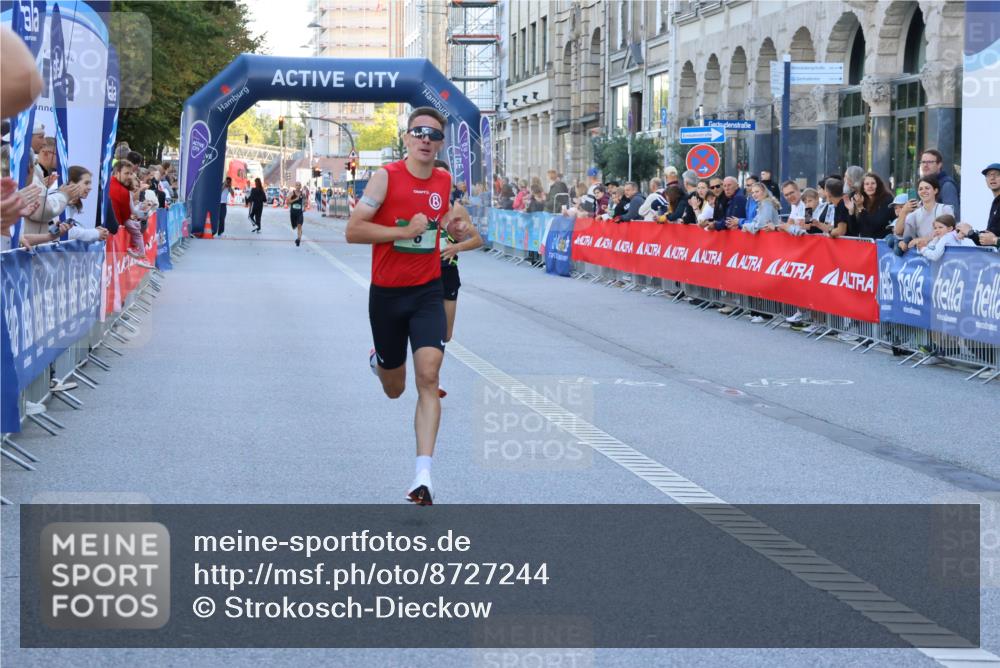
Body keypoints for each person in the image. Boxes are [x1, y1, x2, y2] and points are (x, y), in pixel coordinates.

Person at [345, 106, 471, 507]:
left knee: (429, 377)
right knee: (395, 388)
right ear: (406, 138)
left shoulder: (444, 179)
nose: (425, 140)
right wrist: (404, 230)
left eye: (433, 135)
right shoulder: (385, 177)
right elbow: (353, 231)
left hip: (427, 291)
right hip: (387, 295)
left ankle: (423, 477)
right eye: (418, 133)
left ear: (440, 143)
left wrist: (451, 227)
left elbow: (439, 222)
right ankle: (379, 362)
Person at [433, 160, 483, 398]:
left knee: (445, 334)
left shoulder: (456, 210)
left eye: (446, 178)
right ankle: (432, 380)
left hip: (448, 273)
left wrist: (456, 248)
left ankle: (431, 377)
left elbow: (477, 240)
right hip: (420, 273)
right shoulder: (419, 205)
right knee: (420, 327)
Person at [886, 175, 951, 255]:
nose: (923, 191)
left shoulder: (945, 209)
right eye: (920, 189)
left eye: (927, 188)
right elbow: (898, 233)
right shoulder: (914, 213)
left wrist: (923, 239)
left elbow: (950, 233)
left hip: (942, 255)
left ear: (935, 190)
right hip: (920, 258)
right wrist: (903, 212)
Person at [109, 160, 154, 267]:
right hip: (115, 227)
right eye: (126, 173)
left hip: (118, 225)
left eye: (130, 173)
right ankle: (141, 254)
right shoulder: (122, 190)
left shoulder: (118, 187)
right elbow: (127, 214)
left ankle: (138, 250)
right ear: (116, 173)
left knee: (138, 227)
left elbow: (129, 212)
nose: (129, 176)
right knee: (137, 228)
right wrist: (142, 213)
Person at [63, 166, 110, 244]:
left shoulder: (73, 203)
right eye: (86, 183)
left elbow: (71, 229)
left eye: (90, 184)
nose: (90, 188)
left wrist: (95, 232)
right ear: (72, 184)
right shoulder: (59, 198)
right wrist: (95, 233)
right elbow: (65, 231)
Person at [848, 172, 894, 239]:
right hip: (866, 244)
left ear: (878, 185)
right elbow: (854, 230)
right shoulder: (861, 200)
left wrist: (861, 208)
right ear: (863, 188)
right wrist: (851, 212)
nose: (870, 186)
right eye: (867, 184)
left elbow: (875, 226)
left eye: (873, 183)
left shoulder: (887, 199)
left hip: (881, 244)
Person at [919, 148, 960, 218]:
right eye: (923, 162)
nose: (925, 165)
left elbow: (951, 216)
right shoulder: (925, 183)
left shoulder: (947, 185)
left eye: (930, 162)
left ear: (939, 165)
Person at [967, 163, 1000, 248]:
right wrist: (969, 233)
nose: (992, 178)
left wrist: (995, 240)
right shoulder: (996, 202)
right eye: (989, 175)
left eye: (997, 174)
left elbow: (992, 240)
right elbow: (987, 240)